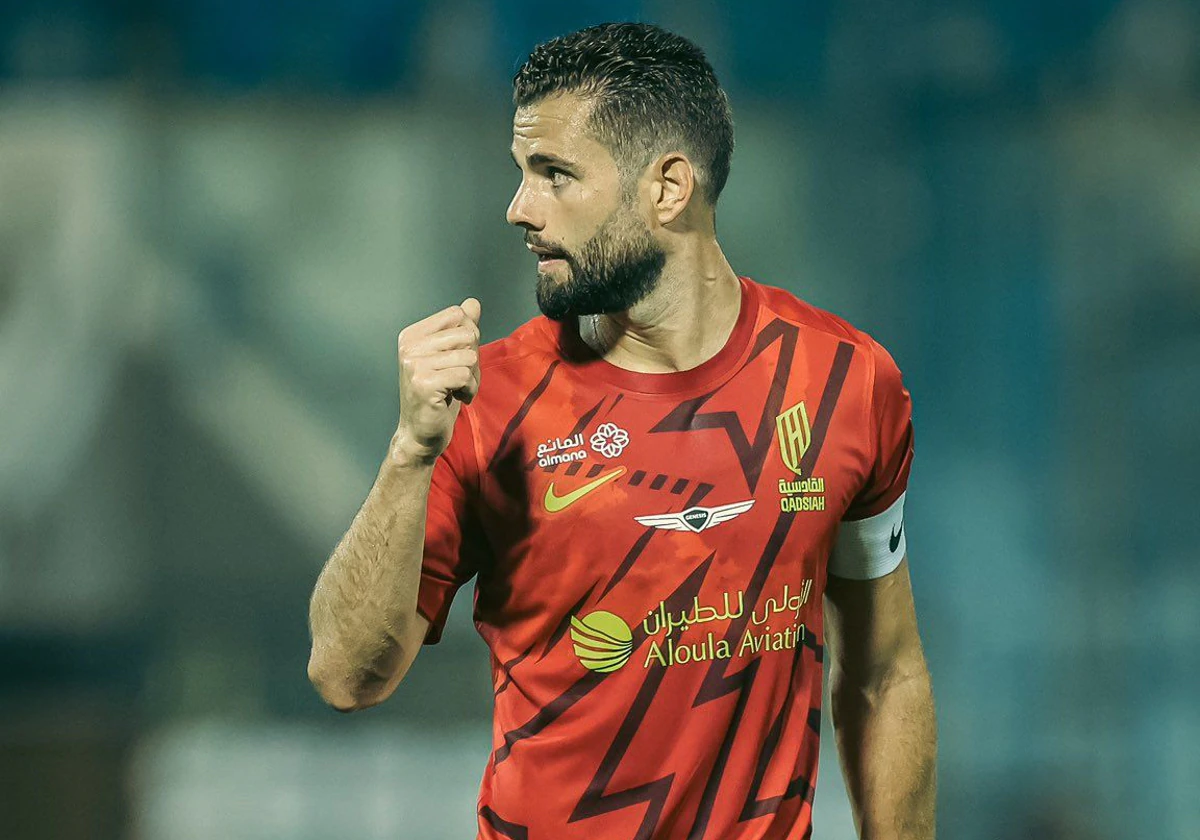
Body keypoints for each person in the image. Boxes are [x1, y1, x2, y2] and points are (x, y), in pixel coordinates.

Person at [308, 21, 936, 840]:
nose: (519, 210)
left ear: (668, 188)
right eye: (521, 172)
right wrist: (408, 453)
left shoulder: (848, 384)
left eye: (554, 174)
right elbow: (348, 675)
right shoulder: (486, 405)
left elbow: (886, 673)